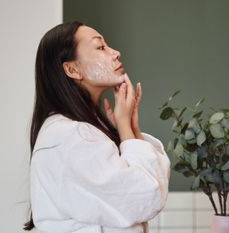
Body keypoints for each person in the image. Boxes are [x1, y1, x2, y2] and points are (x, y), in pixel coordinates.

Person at [23, 21, 170, 233]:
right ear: (72, 69)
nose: (116, 53)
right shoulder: (70, 136)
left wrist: (130, 128)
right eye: (101, 47)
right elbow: (147, 197)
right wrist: (124, 127)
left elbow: (151, 187)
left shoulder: (76, 131)